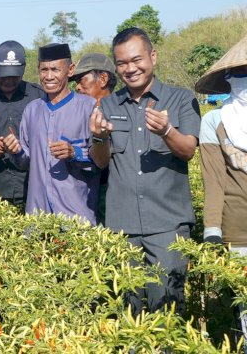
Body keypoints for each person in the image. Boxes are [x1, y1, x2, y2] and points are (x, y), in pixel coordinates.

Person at [89, 27, 200, 315]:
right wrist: (99, 137)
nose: (130, 68)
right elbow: (101, 161)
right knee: (129, 315)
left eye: (136, 59)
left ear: (153, 56)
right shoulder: (108, 103)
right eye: (122, 63)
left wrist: (166, 131)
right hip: (121, 228)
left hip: (167, 227)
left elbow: (188, 150)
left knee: (167, 311)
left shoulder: (181, 99)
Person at [3, 43, 100, 225]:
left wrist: (75, 153)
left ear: (70, 70)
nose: (48, 76)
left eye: (55, 70)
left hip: (76, 218)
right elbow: (26, 162)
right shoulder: (32, 110)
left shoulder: (89, 107)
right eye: (44, 70)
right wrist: (16, 151)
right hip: (38, 218)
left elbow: (102, 161)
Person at [196, 34, 247, 347]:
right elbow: (213, 182)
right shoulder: (215, 120)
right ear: (229, 80)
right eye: (240, 76)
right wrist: (212, 230)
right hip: (238, 232)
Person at [0, 40, 44, 206]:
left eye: (14, 76)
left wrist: (23, 147)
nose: (8, 80)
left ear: (23, 69)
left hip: (33, 191)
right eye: (3, 75)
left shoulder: (40, 97)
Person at [70, 53, 117, 224]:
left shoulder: (119, 111)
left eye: (82, 80)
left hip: (108, 194)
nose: (77, 87)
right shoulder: (80, 112)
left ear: (103, 79)